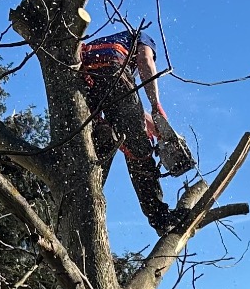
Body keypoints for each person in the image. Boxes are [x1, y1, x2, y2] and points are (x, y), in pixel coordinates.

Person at [78, 24, 194, 230]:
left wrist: (155, 127)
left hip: (84, 77)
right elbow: (145, 61)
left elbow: (129, 110)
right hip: (113, 67)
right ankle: (160, 216)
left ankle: (81, 206)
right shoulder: (143, 37)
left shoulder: (102, 44)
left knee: (100, 144)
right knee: (139, 150)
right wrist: (156, 105)